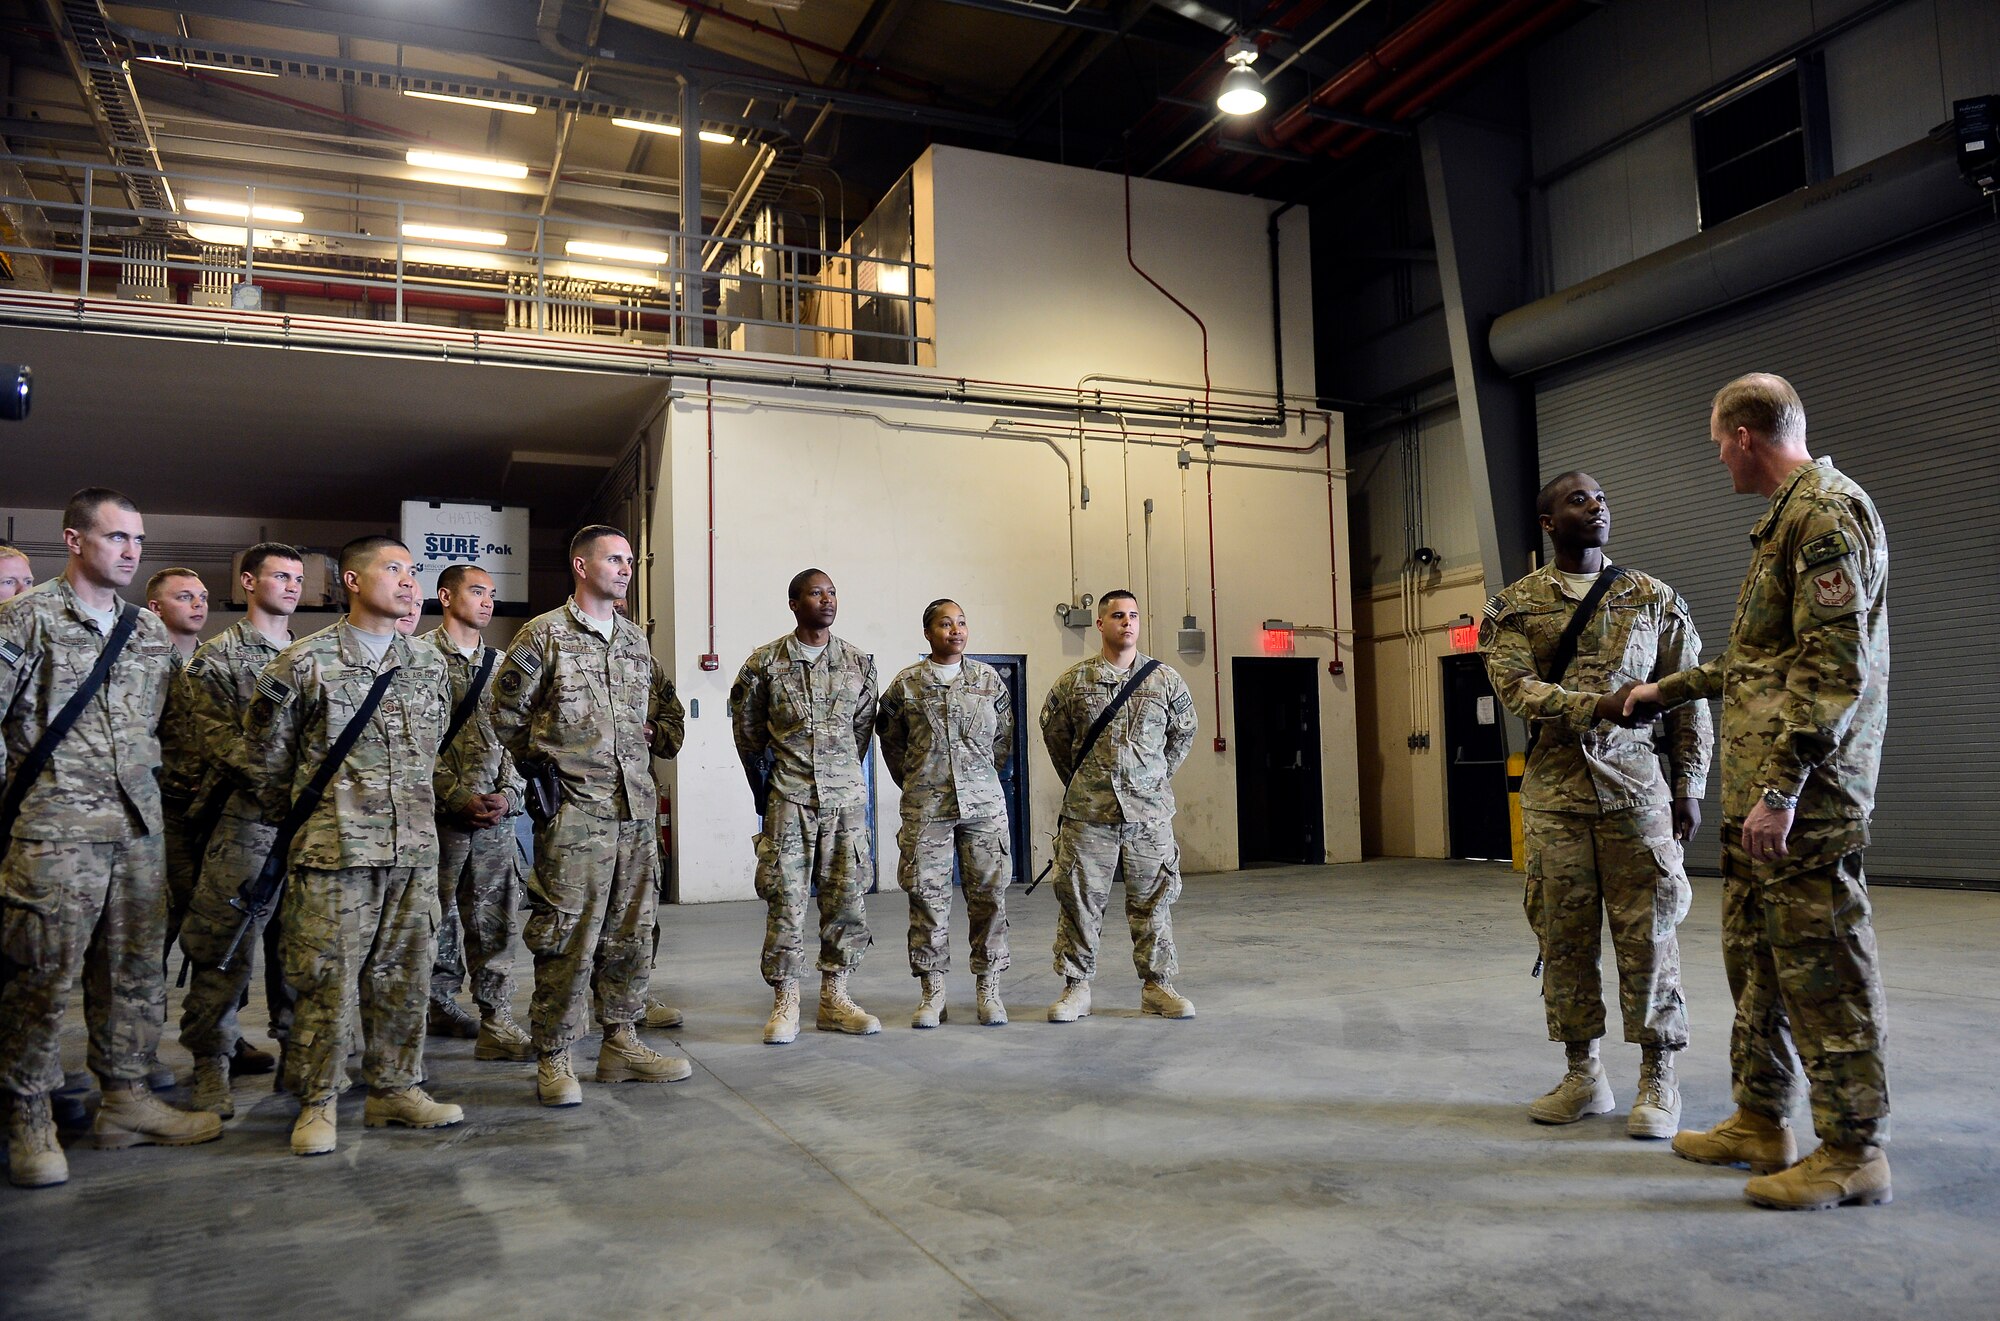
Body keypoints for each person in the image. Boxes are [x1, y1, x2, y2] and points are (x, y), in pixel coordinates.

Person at [1623, 373, 1893, 1211]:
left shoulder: (1823, 516)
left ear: (1744, 436)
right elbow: (1761, 662)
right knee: (1759, 962)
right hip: (1761, 799)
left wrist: (1781, 787)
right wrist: (1662, 691)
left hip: (1804, 801)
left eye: (1717, 444)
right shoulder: (1784, 521)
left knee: (1823, 967)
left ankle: (1853, 1149)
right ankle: (1761, 1117)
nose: (1719, 458)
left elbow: (1833, 668)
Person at [0, 489, 221, 1189]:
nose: (130, 550)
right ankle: (28, 1112)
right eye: (116, 536)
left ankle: (124, 1099)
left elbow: (179, 730)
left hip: (137, 829)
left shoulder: (147, 630)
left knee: (134, 974)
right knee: (42, 975)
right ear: (73, 540)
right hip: (52, 830)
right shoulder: (26, 619)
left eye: (138, 539)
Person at [1480, 472, 1712, 1138]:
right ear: (1549, 522)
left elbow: (1687, 695)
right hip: (1555, 797)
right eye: (1578, 499)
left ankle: (1657, 1077)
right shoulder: (1514, 607)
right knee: (1564, 939)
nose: (1597, 505)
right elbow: (1518, 689)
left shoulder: (1652, 598)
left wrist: (1690, 784)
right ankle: (1584, 1074)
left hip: (1638, 793)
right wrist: (1595, 705)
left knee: (1651, 939)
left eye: (1602, 496)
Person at [233, 535, 464, 1156]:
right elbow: (263, 762)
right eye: (394, 569)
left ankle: (396, 1088)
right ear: (353, 581)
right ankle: (319, 1101)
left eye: (413, 571)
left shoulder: (428, 666)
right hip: (334, 855)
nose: (409, 582)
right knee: (325, 983)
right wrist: (327, 816)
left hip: (413, 852)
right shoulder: (302, 664)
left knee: (406, 978)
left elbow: (433, 749)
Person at [489, 525, 689, 1107]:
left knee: (631, 934)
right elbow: (505, 717)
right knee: (567, 936)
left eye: (630, 560)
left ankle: (620, 1042)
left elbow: (669, 715)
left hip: (635, 813)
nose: (627, 569)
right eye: (615, 559)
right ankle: (554, 1055)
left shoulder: (633, 642)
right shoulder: (543, 636)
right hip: (575, 816)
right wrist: (549, 768)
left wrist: (655, 735)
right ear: (581, 565)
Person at [173, 544, 307, 1114]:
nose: (293, 585)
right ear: (248, 582)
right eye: (280, 576)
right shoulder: (218, 659)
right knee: (223, 947)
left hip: (307, 827)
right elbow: (219, 742)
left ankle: (298, 1056)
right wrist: (289, 786)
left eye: (299, 578)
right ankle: (211, 1061)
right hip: (246, 823)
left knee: (303, 946)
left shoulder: (311, 655)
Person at [730, 569, 881, 1044]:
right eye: (817, 593)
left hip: (844, 801)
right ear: (794, 603)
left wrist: (837, 773)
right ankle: (786, 1000)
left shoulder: (859, 663)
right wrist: (777, 782)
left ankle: (835, 996)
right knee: (785, 901)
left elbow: (861, 732)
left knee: (847, 900)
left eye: (833, 592)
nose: (828, 599)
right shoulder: (764, 664)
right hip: (789, 797)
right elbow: (749, 734)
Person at [1038, 590, 1198, 1023]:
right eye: (1117, 616)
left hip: (1148, 818)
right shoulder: (1074, 683)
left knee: (1154, 901)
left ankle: (1158, 987)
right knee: (1079, 901)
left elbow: (1184, 732)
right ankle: (1076, 988)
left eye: (1133, 616)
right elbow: (1055, 736)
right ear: (1100, 624)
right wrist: (1086, 783)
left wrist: (1153, 777)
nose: (1127, 623)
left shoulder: (1164, 680)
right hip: (1088, 818)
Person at [876, 599, 1014, 1028]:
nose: (955, 630)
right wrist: (919, 781)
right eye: (944, 623)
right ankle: (933, 993)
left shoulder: (989, 681)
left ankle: (988, 989)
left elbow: (1003, 740)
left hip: (983, 808)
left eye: (961, 623)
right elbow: (891, 744)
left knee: (989, 897)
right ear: (927, 632)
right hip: (927, 807)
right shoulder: (905, 686)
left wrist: (980, 778)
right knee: (927, 899)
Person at [422, 565, 532, 1061]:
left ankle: (497, 1018)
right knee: (429, 921)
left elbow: (518, 736)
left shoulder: (503, 664)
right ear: (445, 596)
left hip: (495, 821)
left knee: (497, 922)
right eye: (476, 591)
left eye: (492, 594)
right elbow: (412, 745)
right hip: (437, 821)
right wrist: (454, 797)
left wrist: (509, 793)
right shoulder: (418, 659)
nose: (487, 601)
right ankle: (433, 1005)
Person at [144, 568, 208, 660]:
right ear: (157, 608)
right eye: (185, 597)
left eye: (203, 597)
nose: (199, 604)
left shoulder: (219, 663)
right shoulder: (133, 660)